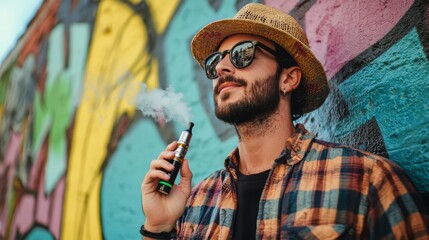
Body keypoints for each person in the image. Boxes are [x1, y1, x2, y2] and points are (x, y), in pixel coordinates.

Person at [140, 3, 429, 239]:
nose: (223, 67)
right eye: (216, 62)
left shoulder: (367, 181)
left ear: (288, 78)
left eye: (243, 54)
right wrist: (159, 227)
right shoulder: (197, 201)